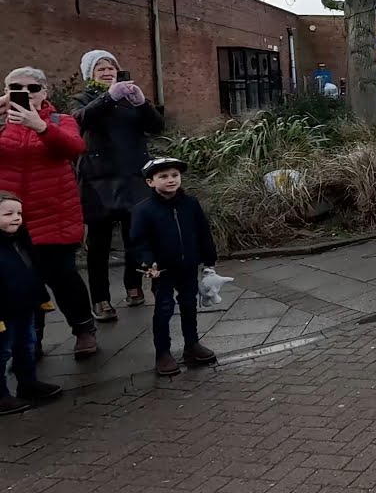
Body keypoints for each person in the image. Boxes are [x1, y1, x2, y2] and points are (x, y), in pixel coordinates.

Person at [0, 67, 98, 359]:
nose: (25, 94)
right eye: (16, 88)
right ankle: (32, 339)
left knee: (63, 276)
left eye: (31, 88)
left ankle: (83, 328)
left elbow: (74, 147)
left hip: (54, 212)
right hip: (12, 217)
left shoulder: (59, 120)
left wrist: (39, 126)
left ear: (44, 92)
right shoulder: (2, 122)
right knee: (21, 280)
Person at [68, 51, 165, 321]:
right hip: (99, 180)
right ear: (90, 74)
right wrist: (108, 97)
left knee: (135, 237)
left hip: (133, 175)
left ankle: (134, 285)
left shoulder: (129, 97)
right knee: (99, 244)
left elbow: (157, 126)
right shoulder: (84, 98)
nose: (108, 72)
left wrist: (143, 103)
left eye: (111, 68)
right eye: (101, 69)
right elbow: (79, 120)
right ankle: (100, 299)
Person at [131, 157, 218, 376]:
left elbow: (203, 233)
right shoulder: (144, 210)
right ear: (150, 182)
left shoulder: (191, 204)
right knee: (163, 309)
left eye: (174, 175)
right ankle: (163, 353)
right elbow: (139, 241)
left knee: (189, 305)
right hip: (162, 270)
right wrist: (148, 263)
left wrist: (209, 260)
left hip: (188, 266)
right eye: (163, 176)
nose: (171, 180)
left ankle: (192, 344)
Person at [0, 192, 63, 415]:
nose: (16, 218)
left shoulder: (20, 240)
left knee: (26, 345)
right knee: (2, 352)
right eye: (8, 214)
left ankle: (28, 383)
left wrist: (41, 296)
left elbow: (32, 270)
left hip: (25, 305)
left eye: (19, 213)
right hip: (3, 312)